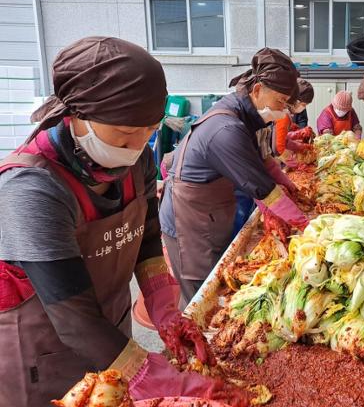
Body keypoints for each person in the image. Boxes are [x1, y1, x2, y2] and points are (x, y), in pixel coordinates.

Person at [0, 37, 234, 405]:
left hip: (110, 332)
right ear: (77, 115)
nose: (139, 144)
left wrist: (165, 309)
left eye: (150, 131)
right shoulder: (32, 188)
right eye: (125, 134)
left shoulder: (134, 159)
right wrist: (151, 374)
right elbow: (73, 318)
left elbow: (146, 237)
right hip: (45, 351)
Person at [159, 48, 308, 306]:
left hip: (211, 212)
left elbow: (265, 161)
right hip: (189, 222)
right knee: (200, 293)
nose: (283, 110)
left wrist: (291, 187)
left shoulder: (249, 116)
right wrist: (307, 225)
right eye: (281, 102)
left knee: (220, 281)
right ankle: (187, 344)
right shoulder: (227, 129)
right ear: (258, 89)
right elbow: (262, 189)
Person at [273, 78, 315, 156]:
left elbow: (285, 140)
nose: (304, 108)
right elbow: (279, 149)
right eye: (304, 105)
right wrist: (295, 164)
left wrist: (302, 147)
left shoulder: (286, 113)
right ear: (296, 101)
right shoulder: (283, 116)